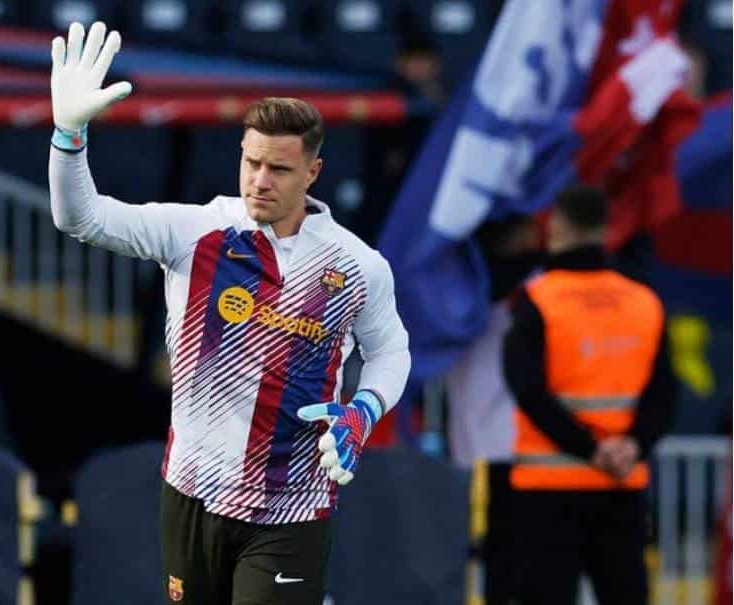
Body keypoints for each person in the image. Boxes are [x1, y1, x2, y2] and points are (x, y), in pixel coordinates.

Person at [47, 22, 410, 605]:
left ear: (313, 172)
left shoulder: (357, 266)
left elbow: (390, 349)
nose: (259, 181)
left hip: (293, 504)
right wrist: (68, 135)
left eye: (279, 169)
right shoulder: (196, 232)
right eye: (251, 162)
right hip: (191, 492)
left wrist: (363, 410)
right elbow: (80, 218)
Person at [502, 184, 676, 605]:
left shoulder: (537, 300)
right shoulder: (644, 301)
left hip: (548, 489)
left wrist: (589, 449)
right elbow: (664, 394)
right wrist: (631, 447)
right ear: (606, 228)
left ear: (557, 226)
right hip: (621, 484)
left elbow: (527, 390)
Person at [444, 215, 542, 604]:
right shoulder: (542, 287)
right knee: (516, 556)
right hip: (521, 446)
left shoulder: (450, 292)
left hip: (468, 445)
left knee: (491, 559)